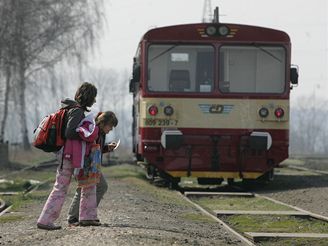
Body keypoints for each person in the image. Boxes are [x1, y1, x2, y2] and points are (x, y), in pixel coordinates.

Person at [37, 82, 98, 230]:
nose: (95, 100)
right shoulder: (76, 111)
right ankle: (46, 221)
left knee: (83, 184)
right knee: (64, 187)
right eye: (94, 97)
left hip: (70, 155)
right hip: (71, 156)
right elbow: (69, 132)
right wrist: (86, 132)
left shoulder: (69, 109)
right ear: (89, 97)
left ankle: (86, 217)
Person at [67, 111, 118, 226]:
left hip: (93, 165)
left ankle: (85, 214)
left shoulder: (100, 133)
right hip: (86, 165)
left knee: (93, 188)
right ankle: (76, 216)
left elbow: (97, 149)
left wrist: (107, 148)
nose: (111, 129)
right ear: (104, 123)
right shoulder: (93, 131)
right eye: (110, 126)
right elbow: (88, 148)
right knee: (86, 188)